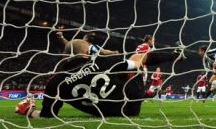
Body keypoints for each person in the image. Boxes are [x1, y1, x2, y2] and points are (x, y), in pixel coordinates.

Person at [15, 38, 184, 118]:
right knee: (139, 57)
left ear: (63, 58)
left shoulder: (55, 83)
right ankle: (174, 56)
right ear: (88, 53)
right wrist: (136, 64)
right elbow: (140, 60)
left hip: (104, 113)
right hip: (131, 108)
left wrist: (29, 110)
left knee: (132, 63)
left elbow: (47, 116)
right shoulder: (103, 60)